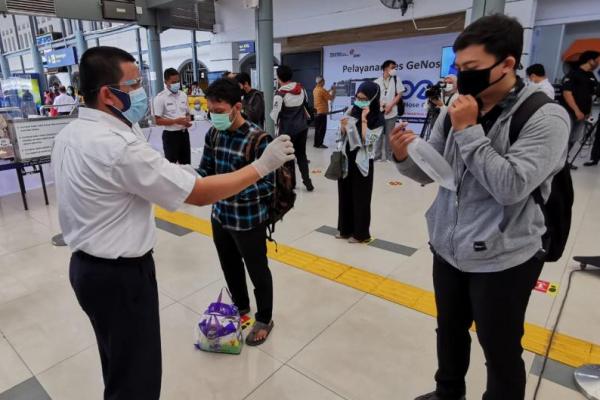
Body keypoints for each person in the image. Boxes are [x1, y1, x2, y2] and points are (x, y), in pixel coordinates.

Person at [52, 46, 294, 400]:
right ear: (107, 93)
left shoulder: (71, 134)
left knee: (118, 365)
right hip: (121, 277)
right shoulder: (117, 145)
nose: (141, 92)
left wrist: (194, 177)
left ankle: (262, 315)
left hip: (89, 270)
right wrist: (259, 167)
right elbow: (198, 189)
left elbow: (189, 179)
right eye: (134, 84)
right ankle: (241, 309)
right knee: (137, 376)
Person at [390, 15, 569, 400]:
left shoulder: (545, 116)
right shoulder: (458, 105)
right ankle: (448, 391)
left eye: (472, 69)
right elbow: (432, 171)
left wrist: (469, 130)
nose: (462, 77)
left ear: (506, 64)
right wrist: (403, 156)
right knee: (450, 329)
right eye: (459, 68)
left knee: (500, 347)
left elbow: (511, 187)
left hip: (504, 257)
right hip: (449, 246)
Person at [198, 78, 276, 346]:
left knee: (257, 270)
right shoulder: (214, 133)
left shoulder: (259, 140)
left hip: (248, 220)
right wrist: (188, 176)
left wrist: (228, 190)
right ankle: (242, 308)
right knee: (229, 266)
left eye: (219, 111)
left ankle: (264, 317)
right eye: (211, 111)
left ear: (237, 107)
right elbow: (206, 169)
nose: (214, 116)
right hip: (220, 216)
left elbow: (268, 186)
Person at [336, 81, 383, 244]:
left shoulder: (377, 117)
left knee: (361, 198)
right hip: (346, 158)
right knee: (344, 194)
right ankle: (345, 229)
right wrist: (342, 127)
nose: (359, 100)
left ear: (372, 99)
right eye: (357, 97)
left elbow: (369, 140)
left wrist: (364, 119)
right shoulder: (351, 109)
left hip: (362, 161)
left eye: (363, 98)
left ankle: (360, 234)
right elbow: (343, 134)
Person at [270, 65, 314, 191]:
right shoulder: (302, 89)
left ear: (278, 77)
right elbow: (306, 105)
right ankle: (308, 182)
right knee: (301, 155)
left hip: (287, 131)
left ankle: (291, 183)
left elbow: (275, 114)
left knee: (287, 158)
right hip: (302, 128)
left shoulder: (280, 94)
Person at [561, 51, 599, 154]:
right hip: (571, 112)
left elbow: (593, 94)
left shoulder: (591, 75)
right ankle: (558, 163)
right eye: (598, 60)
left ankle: (565, 161)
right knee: (565, 138)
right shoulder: (574, 73)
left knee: (574, 138)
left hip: (584, 114)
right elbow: (567, 93)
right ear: (591, 60)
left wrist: (588, 112)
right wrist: (577, 111)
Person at [153, 68, 193, 164]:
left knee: (186, 164)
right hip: (171, 136)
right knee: (171, 166)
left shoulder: (183, 95)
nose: (177, 84)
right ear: (166, 82)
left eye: (178, 81)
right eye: (174, 82)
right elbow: (157, 121)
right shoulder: (160, 98)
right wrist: (176, 121)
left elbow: (187, 113)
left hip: (184, 134)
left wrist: (188, 120)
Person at [374, 59, 405, 161]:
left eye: (395, 68)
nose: (394, 69)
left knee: (390, 135)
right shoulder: (377, 82)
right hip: (379, 112)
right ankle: (377, 156)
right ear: (385, 68)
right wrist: (382, 106)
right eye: (392, 67)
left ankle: (389, 156)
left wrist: (390, 105)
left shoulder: (396, 79)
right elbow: (374, 97)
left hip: (392, 112)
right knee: (378, 135)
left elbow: (399, 94)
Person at [313, 76, 336, 148]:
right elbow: (331, 98)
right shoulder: (322, 90)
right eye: (324, 81)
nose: (324, 83)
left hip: (316, 112)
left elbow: (324, 94)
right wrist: (334, 91)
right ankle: (320, 144)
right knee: (322, 129)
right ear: (321, 82)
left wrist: (330, 90)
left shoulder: (315, 89)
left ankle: (316, 144)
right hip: (322, 113)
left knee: (317, 129)